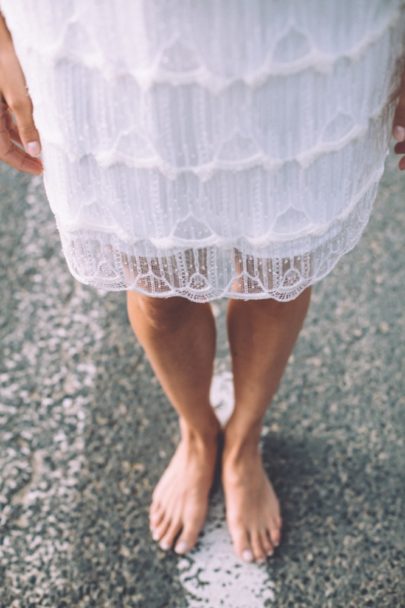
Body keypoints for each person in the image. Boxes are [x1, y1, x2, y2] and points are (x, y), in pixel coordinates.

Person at [0, 1, 404, 565]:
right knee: (157, 282)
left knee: (278, 266)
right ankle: (198, 432)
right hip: (112, 32)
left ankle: (242, 441)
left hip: (303, 29)